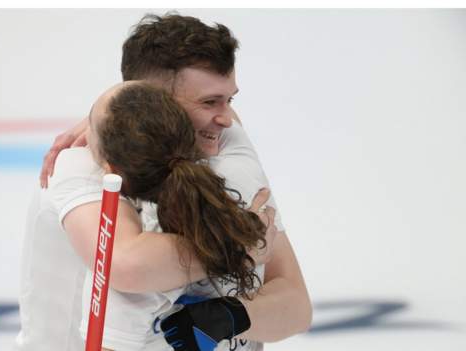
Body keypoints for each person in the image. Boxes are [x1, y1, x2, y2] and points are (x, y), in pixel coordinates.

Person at [16, 13, 311, 351]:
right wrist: (237, 246)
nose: (227, 118)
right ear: (155, 100)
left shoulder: (228, 149)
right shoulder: (83, 167)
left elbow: (295, 306)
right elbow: (125, 266)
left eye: (229, 100)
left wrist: (231, 316)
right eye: (209, 102)